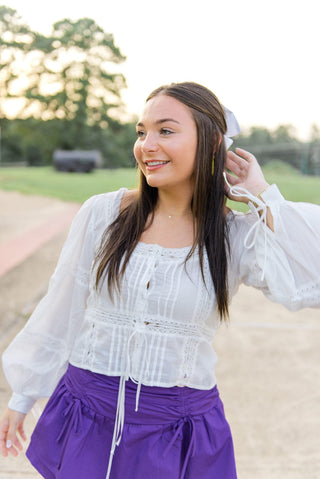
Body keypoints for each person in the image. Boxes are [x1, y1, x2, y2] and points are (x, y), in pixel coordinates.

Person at [0, 82, 319, 479]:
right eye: (141, 131)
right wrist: (24, 393)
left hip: (178, 434)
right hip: (86, 417)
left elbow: (312, 274)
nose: (147, 145)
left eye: (165, 131)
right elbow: (62, 302)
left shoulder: (235, 235)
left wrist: (262, 196)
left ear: (212, 141)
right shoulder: (102, 213)